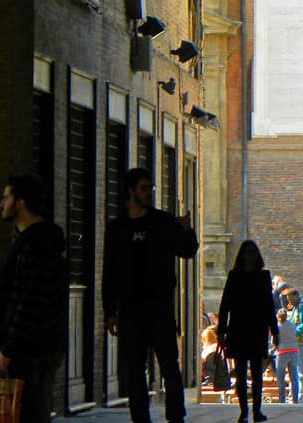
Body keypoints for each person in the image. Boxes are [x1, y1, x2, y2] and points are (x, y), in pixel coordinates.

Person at [102, 167, 199, 423]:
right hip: (130, 310)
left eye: (151, 188)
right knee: (134, 369)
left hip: (160, 308)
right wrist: (109, 310)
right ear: (131, 191)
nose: (149, 193)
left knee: (170, 366)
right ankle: (140, 419)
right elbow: (109, 271)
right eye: (144, 188)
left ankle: (176, 416)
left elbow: (187, 250)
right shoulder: (117, 229)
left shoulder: (163, 222)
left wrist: (188, 230)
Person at [0, 173, 67, 423]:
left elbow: (31, 300)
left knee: (30, 414)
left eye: (6, 197)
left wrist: (8, 349)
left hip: (31, 352)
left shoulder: (38, 244)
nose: (1, 203)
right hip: (29, 349)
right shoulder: (30, 241)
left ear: (20, 202)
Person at [216, 240, 278, 422]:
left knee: (257, 372)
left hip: (255, 328)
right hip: (239, 328)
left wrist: (274, 329)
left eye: (253, 252)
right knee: (241, 373)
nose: (250, 255)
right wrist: (221, 330)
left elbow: (269, 305)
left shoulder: (262, 276)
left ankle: (256, 411)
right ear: (243, 255)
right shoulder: (234, 276)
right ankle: (244, 411)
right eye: (248, 252)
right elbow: (225, 303)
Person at [286, 288, 303, 402]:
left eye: (291, 299)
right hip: (296, 341)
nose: (290, 301)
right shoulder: (297, 307)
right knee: (297, 368)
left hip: (302, 341)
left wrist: (292, 331)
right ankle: (296, 393)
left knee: (302, 368)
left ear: (296, 295)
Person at [273, 308, 300, 403]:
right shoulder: (293, 326)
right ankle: (296, 399)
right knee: (294, 377)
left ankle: (282, 400)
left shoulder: (277, 327)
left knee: (280, 378)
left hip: (282, 353)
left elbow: (275, 341)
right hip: (294, 351)